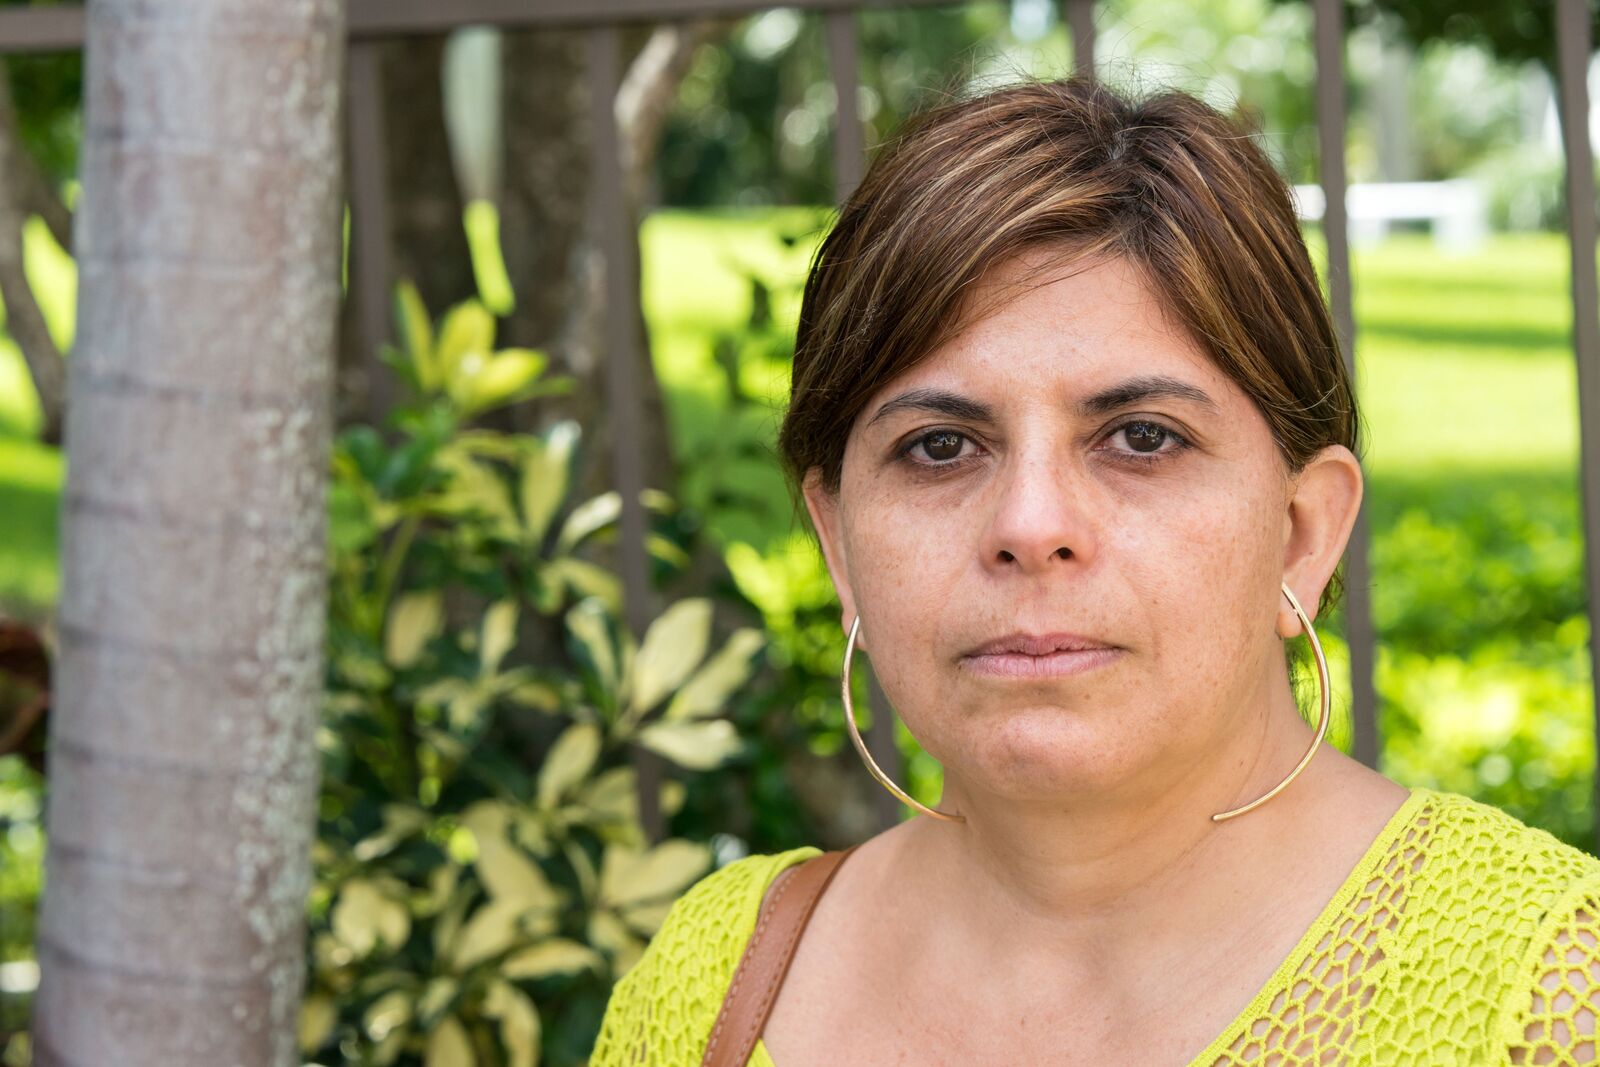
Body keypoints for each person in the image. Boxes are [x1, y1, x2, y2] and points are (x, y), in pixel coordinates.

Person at [590, 72, 1600, 1065]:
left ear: (1301, 529)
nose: (1031, 525)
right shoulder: (716, 979)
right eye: (940, 445)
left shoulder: (1550, 996)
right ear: (840, 542)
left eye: (1142, 436)